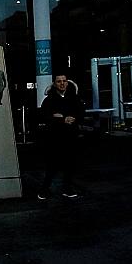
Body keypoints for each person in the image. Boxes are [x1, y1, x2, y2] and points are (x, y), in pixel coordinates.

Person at [36, 71, 84, 200]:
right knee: (52, 165)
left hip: (71, 136)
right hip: (55, 138)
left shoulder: (74, 98)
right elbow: (44, 116)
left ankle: (67, 189)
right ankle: (44, 190)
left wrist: (71, 118)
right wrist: (61, 120)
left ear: (67, 82)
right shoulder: (49, 100)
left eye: (64, 81)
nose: (62, 83)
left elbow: (80, 113)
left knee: (70, 164)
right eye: (59, 81)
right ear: (55, 84)